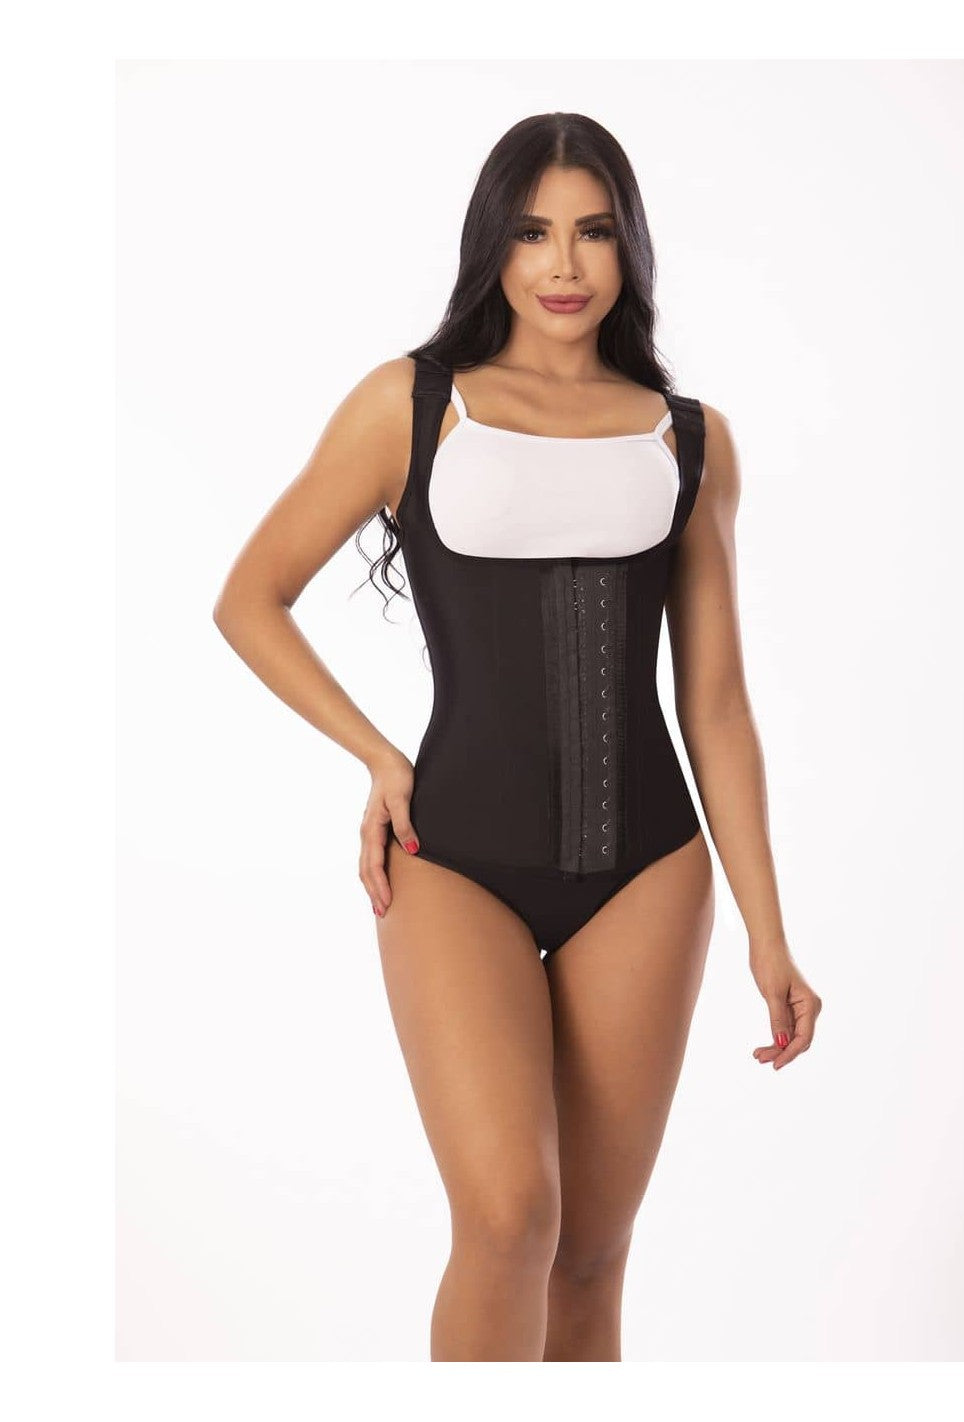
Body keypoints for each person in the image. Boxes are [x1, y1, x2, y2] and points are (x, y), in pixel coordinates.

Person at [213, 111, 822, 1362]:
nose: (562, 264)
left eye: (592, 232)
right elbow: (250, 599)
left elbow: (714, 703)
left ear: (628, 248)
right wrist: (379, 756)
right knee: (506, 1222)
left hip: (647, 869)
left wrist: (769, 933)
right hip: (453, 860)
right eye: (533, 232)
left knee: (590, 1255)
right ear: (491, 245)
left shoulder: (688, 438)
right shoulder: (410, 404)